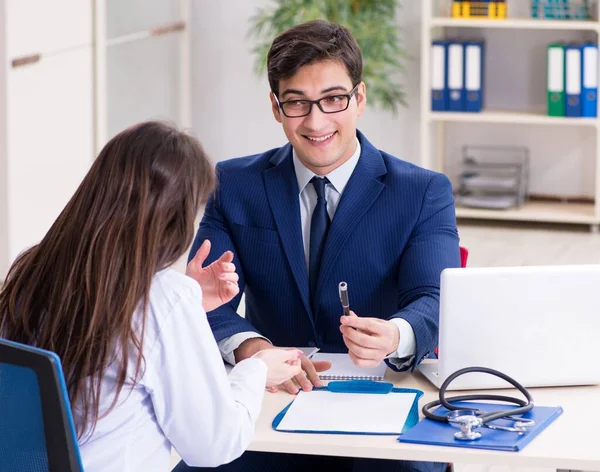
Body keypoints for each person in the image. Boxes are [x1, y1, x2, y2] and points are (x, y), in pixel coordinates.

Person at [177, 19, 460, 472]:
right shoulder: (232, 184)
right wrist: (254, 350)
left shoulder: (422, 191)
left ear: (359, 99)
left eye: (333, 100)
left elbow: (436, 299)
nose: (316, 121)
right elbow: (199, 298)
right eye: (297, 103)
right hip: (272, 401)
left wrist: (396, 335)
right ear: (276, 107)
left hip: (382, 405)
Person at [0, 121, 304, 472]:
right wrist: (255, 370)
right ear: (175, 219)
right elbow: (214, 445)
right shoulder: (163, 301)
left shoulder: (32, 268)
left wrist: (190, 304)